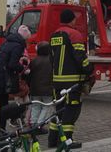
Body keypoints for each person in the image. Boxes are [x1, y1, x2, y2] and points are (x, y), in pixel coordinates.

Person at [48, 9, 93, 149]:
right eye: (74, 19)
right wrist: (89, 70)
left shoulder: (54, 35)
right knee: (72, 109)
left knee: (59, 109)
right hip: (72, 82)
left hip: (57, 81)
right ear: (71, 20)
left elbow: (51, 58)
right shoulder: (74, 34)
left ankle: (52, 139)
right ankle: (66, 140)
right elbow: (80, 56)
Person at [29, 41, 53, 128]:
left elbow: (30, 74)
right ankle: (40, 124)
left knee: (35, 106)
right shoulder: (51, 60)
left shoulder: (34, 60)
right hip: (48, 88)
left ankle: (33, 123)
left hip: (35, 88)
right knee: (47, 106)